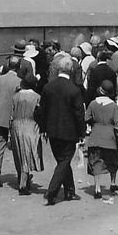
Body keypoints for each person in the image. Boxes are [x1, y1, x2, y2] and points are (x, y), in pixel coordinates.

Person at [40, 57, 85, 205]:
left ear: (58, 69)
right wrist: (81, 132)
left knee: (62, 161)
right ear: (71, 70)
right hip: (69, 131)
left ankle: (69, 191)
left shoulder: (48, 87)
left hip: (52, 131)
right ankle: (52, 191)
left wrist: (43, 128)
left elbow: (43, 111)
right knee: (64, 162)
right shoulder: (74, 90)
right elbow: (79, 114)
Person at [85, 80, 118, 199]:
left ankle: (97, 188)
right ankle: (112, 182)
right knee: (113, 161)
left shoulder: (93, 103)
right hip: (110, 137)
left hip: (96, 136)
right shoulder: (113, 106)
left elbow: (87, 117)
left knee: (96, 162)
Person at [0, 56, 21, 189]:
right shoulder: (20, 81)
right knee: (17, 148)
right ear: (19, 67)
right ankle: (21, 176)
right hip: (14, 116)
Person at [9, 75, 43, 196]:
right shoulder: (37, 97)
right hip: (30, 126)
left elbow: (11, 114)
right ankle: (23, 184)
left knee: (19, 154)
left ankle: (22, 179)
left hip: (16, 126)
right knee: (27, 154)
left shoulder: (15, 96)